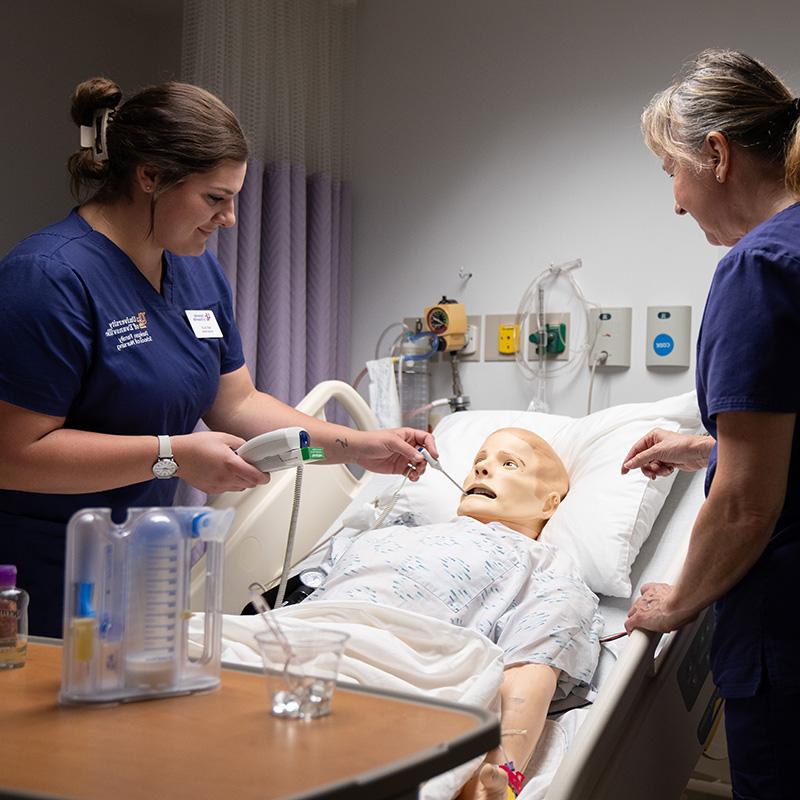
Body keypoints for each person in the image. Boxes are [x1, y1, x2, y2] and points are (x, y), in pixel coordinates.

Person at [0, 77, 435, 639]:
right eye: (214, 198)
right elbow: (13, 452)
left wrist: (357, 446)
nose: (229, 219)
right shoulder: (49, 277)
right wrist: (171, 456)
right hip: (36, 578)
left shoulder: (195, 269)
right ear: (149, 176)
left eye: (234, 197)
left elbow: (237, 402)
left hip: (137, 567)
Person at [621, 50, 800, 800]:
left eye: (672, 170)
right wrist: (709, 447)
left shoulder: (758, 267)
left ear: (717, 155)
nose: (675, 200)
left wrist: (679, 599)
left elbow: (748, 505)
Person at [291, 427, 602, 800]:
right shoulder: (386, 533)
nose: (482, 471)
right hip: (287, 651)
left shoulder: (544, 567)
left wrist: (500, 776)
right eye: (479, 462)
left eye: (509, 464)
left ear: (549, 504)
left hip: (389, 675)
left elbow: (529, 673)